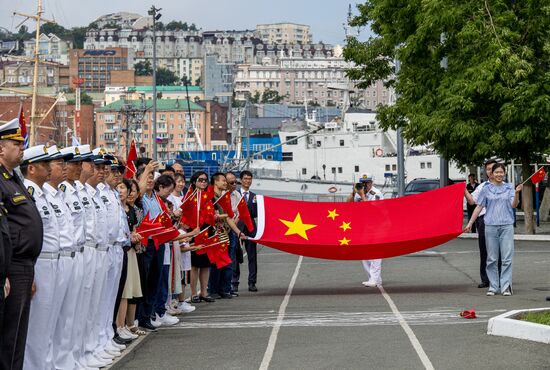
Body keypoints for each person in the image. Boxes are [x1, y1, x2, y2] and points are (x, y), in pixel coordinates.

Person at [0, 119, 43, 370]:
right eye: (16, 144)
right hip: (11, 266)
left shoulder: (13, 179)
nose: (21, 148)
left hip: (24, 265)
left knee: (18, 334)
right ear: (1, 149)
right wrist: (4, 271)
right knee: (8, 335)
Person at [19, 145, 57, 370]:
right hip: (39, 262)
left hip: (56, 260)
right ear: (31, 169)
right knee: (38, 321)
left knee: (51, 319)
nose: (50, 169)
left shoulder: (43, 193)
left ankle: (48, 363)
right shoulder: (28, 192)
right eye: (45, 165)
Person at [42, 145, 79, 370]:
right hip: (47, 260)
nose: (64, 168)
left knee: (71, 313)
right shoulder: (39, 194)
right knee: (46, 322)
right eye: (59, 164)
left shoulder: (57, 194)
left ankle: (68, 359)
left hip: (69, 255)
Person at [465, 163, 522, 296]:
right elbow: (478, 207)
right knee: (492, 258)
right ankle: (493, 286)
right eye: (496, 172)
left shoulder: (509, 188)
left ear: (505, 173)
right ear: (491, 174)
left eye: (501, 172)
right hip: (490, 226)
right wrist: (470, 223)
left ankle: (506, 286)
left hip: (506, 226)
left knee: (507, 258)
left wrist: (517, 193)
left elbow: (514, 205)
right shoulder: (486, 189)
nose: (499, 175)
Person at [208, 173, 245, 299]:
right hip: (216, 233)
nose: (226, 183)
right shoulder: (210, 197)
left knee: (228, 261)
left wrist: (238, 232)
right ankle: (213, 289)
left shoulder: (224, 197)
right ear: (215, 182)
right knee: (216, 263)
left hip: (227, 232)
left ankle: (225, 288)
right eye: (223, 181)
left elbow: (229, 217)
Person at [115, 179, 144, 339]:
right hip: (120, 250)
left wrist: (136, 239)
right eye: (118, 187)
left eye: (123, 188)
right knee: (122, 291)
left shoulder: (131, 209)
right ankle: (119, 326)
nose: (120, 191)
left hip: (131, 251)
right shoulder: (115, 207)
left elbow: (133, 229)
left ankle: (128, 324)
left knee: (131, 290)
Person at [464, 159, 498, 288]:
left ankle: (500, 277)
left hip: (499, 221)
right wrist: (464, 191)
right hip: (484, 220)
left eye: (493, 168)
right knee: (485, 250)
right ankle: (486, 279)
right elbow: (473, 202)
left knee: (500, 251)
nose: (491, 172)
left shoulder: (506, 186)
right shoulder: (482, 187)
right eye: (488, 169)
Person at [349, 173, 384, 287]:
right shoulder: (359, 194)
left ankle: (374, 278)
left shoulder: (376, 194)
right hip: (363, 227)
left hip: (376, 226)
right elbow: (349, 205)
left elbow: (372, 210)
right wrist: (354, 192)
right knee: (364, 253)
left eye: (367, 183)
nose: (365, 185)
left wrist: (363, 195)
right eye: (363, 183)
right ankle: (373, 278)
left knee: (376, 252)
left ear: (371, 183)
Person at [189, 171, 216, 303]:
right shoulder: (190, 196)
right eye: (200, 180)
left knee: (206, 265)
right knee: (195, 266)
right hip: (194, 232)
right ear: (194, 182)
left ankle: (204, 292)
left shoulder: (208, 197)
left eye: (205, 180)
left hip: (207, 233)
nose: (203, 182)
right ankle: (194, 292)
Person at [233, 170, 259, 292]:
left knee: (252, 257)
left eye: (250, 178)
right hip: (237, 228)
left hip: (250, 229)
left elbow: (256, 214)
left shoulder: (255, 197)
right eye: (245, 178)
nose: (248, 181)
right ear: (241, 180)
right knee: (236, 257)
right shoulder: (234, 194)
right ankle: (234, 282)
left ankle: (252, 282)